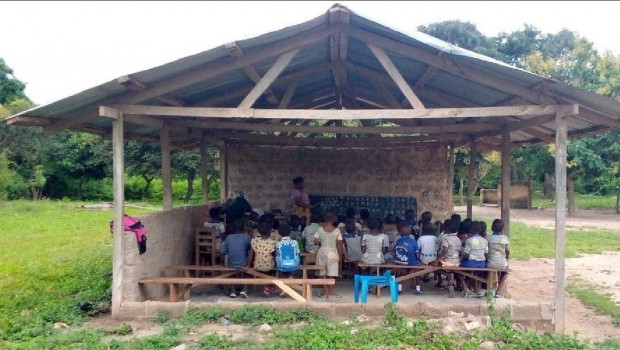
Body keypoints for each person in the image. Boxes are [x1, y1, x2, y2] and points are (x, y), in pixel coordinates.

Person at [314, 213, 343, 298]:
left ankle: (324, 292)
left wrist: (321, 242)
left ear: (324, 219)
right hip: (333, 253)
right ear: (334, 219)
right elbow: (340, 244)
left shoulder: (320, 229)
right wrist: (340, 256)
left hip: (322, 252)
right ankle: (330, 292)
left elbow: (315, 241)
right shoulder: (337, 230)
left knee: (323, 273)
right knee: (331, 272)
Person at [220, 219, 251, 298]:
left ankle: (233, 290)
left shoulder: (228, 238)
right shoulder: (247, 237)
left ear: (233, 228)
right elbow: (250, 250)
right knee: (249, 269)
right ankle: (245, 289)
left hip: (231, 264)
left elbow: (223, 252)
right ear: (244, 228)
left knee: (232, 270)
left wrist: (222, 264)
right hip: (244, 265)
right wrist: (248, 263)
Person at [393, 221, 423, 295]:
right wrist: (419, 260)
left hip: (399, 262)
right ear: (410, 233)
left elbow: (395, 251)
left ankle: (399, 289)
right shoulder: (413, 241)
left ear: (400, 233)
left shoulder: (398, 241)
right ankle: (418, 289)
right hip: (411, 262)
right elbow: (417, 254)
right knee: (418, 272)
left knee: (401, 272)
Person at [461, 221, 489, 297]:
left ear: (470, 230)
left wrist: (462, 254)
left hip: (470, 264)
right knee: (480, 273)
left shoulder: (469, 240)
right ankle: (478, 290)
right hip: (481, 264)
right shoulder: (485, 241)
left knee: (460, 271)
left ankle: (466, 287)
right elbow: (486, 254)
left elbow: (466, 254)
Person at [437, 220, 465, 298]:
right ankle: (452, 283)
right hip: (457, 263)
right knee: (455, 270)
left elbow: (445, 250)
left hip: (447, 263)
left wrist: (438, 259)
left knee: (435, 267)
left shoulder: (446, 239)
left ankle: (449, 282)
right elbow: (461, 252)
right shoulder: (458, 239)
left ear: (446, 229)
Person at [249, 222, 277, 295]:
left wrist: (249, 264)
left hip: (257, 266)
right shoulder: (272, 242)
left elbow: (251, 254)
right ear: (270, 232)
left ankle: (268, 286)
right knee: (274, 268)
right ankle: (269, 286)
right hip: (269, 267)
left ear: (259, 232)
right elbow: (274, 255)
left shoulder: (254, 241)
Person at [487, 219, 510, 298]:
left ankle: (489, 289)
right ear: (502, 229)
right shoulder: (505, 238)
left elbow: (486, 250)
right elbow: (507, 251)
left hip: (490, 263)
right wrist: (506, 259)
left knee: (490, 268)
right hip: (502, 263)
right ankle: (499, 291)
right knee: (506, 272)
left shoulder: (488, 237)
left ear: (492, 227)